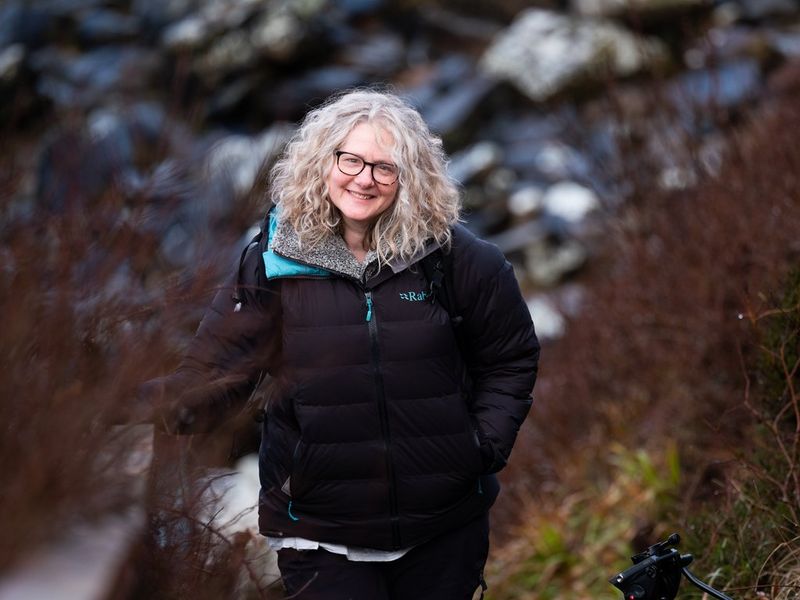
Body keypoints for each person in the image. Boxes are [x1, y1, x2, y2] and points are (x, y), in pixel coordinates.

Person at [146, 89, 540, 600]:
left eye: (384, 167)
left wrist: (479, 448)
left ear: (411, 176)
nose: (363, 178)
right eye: (349, 159)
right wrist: (128, 405)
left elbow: (510, 357)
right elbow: (220, 370)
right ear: (321, 161)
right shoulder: (273, 261)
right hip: (318, 531)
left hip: (442, 527)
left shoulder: (459, 259)